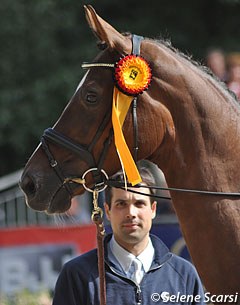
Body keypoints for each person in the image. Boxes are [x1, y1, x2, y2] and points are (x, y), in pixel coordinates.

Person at [52, 165, 205, 305]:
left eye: (139, 203)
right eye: (121, 204)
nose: (131, 213)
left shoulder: (184, 274)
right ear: (107, 211)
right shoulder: (76, 275)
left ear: (153, 209)